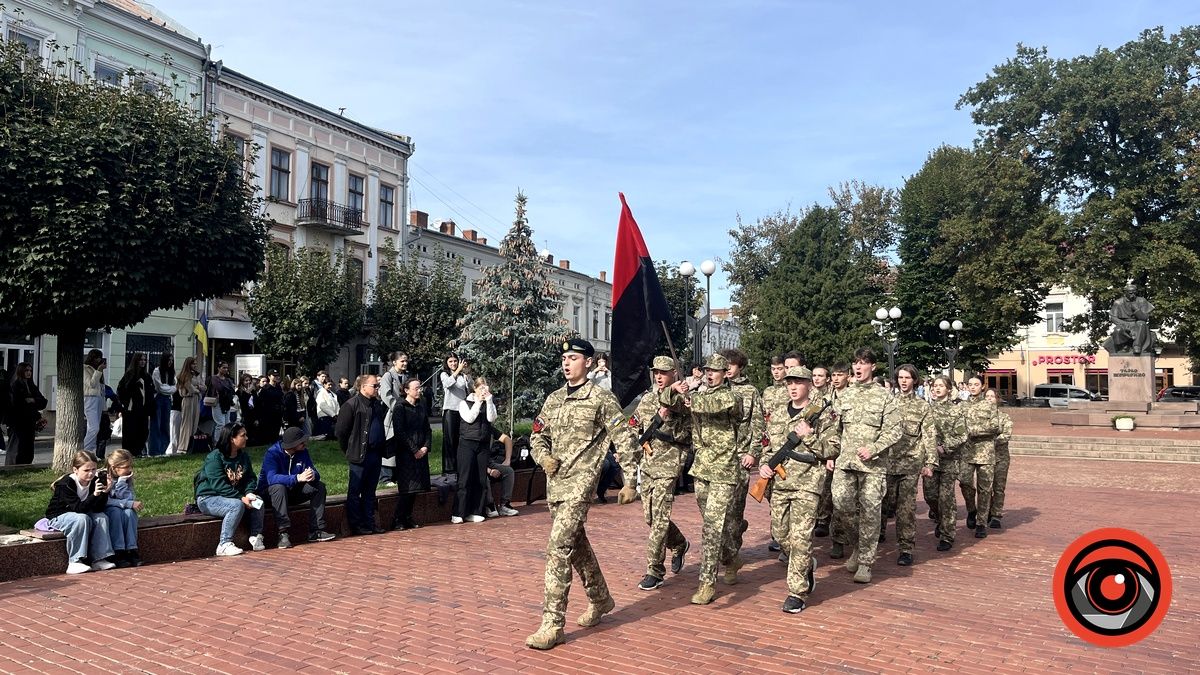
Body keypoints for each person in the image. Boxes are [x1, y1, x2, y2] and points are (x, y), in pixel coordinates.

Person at [525, 338, 639, 650]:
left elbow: (624, 437)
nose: (566, 363)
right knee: (576, 545)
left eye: (573, 358)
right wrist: (543, 457)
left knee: (558, 547)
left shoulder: (601, 398)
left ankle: (552, 623)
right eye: (564, 358)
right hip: (556, 484)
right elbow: (537, 436)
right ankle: (601, 598)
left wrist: (630, 481)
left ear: (588, 362)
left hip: (580, 484)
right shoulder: (555, 398)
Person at [758, 365, 838, 613]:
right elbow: (768, 446)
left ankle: (797, 592)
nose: (792, 387)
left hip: (807, 483)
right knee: (781, 535)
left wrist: (809, 436)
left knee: (801, 538)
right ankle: (805, 565)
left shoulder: (823, 414)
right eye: (789, 383)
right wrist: (763, 465)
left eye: (798, 382)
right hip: (780, 484)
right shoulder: (778, 414)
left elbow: (832, 449)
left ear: (809, 385)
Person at [664, 353, 742, 606]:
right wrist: (675, 390)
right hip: (702, 467)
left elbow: (712, 406)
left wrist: (689, 399)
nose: (710, 374)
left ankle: (707, 582)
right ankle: (731, 557)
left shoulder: (731, 396)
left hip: (724, 467)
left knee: (711, 526)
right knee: (714, 523)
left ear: (725, 373)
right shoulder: (699, 395)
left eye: (715, 371)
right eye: (707, 370)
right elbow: (668, 403)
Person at [830, 348, 902, 585]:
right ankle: (858, 546)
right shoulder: (844, 396)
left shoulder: (884, 397)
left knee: (871, 512)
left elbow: (895, 430)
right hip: (845, 462)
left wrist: (874, 447)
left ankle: (866, 562)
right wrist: (830, 453)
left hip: (873, 465)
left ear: (873, 367)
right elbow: (834, 428)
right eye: (855, 363)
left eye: (863, 363)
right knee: (841, 504)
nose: (858, 367)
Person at [629, 356, 692, 592]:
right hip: (648, 463)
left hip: (669, 464)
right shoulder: (647, 399)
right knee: (650, 518)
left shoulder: (681, 399)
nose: (659, 376)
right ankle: (679, 543)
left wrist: (675, 392)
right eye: (656, 372)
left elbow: (674, 407)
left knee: (660, 518)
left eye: (664, 373)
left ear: (674, 374)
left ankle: (654, 570)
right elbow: (634, 425)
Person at [879, 365, 937, 566]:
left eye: (907, 378)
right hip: (887, 462)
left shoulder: (923, 406)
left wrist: (930, 462)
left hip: (910, 463)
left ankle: (906, 548)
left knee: (906, 508)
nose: (904, 381)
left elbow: (929, 436)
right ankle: (878, 534)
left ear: (914, 380)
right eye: (900, 377)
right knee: (882, 503)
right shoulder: (889, 402)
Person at [718, 347, 765, 584]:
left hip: (739, 458)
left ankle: (731, 560)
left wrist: (752, 453)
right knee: (715, 513)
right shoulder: (712, 389)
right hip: (716, 460)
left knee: (733, 512)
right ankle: (727, 547)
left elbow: (758, 425)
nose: (726, 369)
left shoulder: (750, 392)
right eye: (723, 364)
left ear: (740, 367)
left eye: (731, 365)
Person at [257, 426, 336, 548]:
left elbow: (315, 472)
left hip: (292, 492)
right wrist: (297, 478)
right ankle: (283, 533)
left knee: (319, 487)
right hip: (270, 495)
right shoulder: (272, 453)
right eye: (302, 441)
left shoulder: (303, 452)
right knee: (279, 487)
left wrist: (312, 475)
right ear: (293, 443)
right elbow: (271, 478)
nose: (305, 443)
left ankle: (316, 530)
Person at [196, 423, 265, 556]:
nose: (247, 438)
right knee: (236, 506)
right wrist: (241, 498)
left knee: (258, 502)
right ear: (231, 439)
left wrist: (249, 492)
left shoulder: (243, 456)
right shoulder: (215, 457)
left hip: (235, 495)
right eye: (243, 435)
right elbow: (218, 485)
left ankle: (256, 537)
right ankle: (224, 544)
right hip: (208, 498)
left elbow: (250, 477)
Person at [46, 451, 117, 574]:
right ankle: (74, 561)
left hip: (82, 513)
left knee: (101, 517)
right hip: (59, 515)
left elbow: (98, 508)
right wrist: (95, 494)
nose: (91, 473)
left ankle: (99, 559)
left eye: (94, 469)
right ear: (75, 470)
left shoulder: (95, 481)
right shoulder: (66, 484)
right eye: (86, 470)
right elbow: (78, 508)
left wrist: (105, 493)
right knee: (81, 519)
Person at [335, 374, 387, 535]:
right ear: (363, 387)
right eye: (375, 386)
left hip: (375, 454)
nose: (378, 388)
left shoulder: (377, 405)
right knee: (355, 491)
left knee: (370, 491)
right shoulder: (351, 405)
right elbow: (341, 432)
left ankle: (369, 522)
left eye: (378, 386)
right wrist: (350, 450)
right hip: (359, 455)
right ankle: (356, 525)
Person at [923, 376, 968, 552]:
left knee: (946, 498)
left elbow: (962, 435)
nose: (937, 389)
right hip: (930, 462)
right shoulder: (926, 409)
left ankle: (947, 535)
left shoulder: (956, 411)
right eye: (935, 386)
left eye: (941, 386)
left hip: (949, 460)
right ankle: (941, 520)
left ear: (949, 389)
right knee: (930, 496)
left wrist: (944, 447)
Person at [960, 377, 1001, 539]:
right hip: (967, 452)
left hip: (985, 452)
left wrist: (972, 430)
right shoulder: (961, 406)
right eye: (970, 384)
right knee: (964, 482)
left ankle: (981, 522)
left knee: (985, 489)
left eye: (976, 384)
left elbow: (995, 426)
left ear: (982, 387)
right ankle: (971, 509)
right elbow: (957, 427)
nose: (973, 387)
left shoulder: (989, 406)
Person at [391, 378, 432, 530]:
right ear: (407, 390)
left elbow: (427, 429)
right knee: (407, 489)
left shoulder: (421, 406)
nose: (419, 390)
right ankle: (398, 519)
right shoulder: (400, 407)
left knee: (416, 488)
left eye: (420, 387)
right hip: (406, 454)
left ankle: (407, 517)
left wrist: (426, 447)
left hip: (421, 452)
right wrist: (414, 450)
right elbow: (400, 432)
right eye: (416, 388)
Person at [455, 377, 496, 524]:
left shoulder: (488, 402)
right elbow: (470, 418)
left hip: (482, 444)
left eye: (486, 388)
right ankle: (459, 512)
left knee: (480, 479)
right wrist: (478, 402)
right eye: (481, 388)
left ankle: (476, 511)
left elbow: (492, 418)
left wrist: (489, 401)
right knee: (465, 479)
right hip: (467, 443)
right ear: (475, 389)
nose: (483, 391)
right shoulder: (464, 403)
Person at [102, 449, 143, 567]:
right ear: (115, 467)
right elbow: (106, 501)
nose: (130, 470)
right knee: (115, 512)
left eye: (130, 466)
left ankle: (131, 549)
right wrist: (127, 504)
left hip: (121, 508)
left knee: (129, 513)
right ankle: (118, 551)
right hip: (108, 509)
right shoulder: (103, 477)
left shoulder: (125, 478)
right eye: (126, 466)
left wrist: (122, 482)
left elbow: (129, 498)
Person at [379, 352, 411, 487]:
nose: (404, 363)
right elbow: (385, 394)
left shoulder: (406, 376)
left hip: (403, 413)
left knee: (400, 443)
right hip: (390, 413)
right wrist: (398, 408)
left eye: (406, 361)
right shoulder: (388, 376)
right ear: (394, 362)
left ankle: (397, 474)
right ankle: (385, 476)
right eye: (402, 361)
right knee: (389, 442)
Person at [6, 362, 47, 466]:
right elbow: (16, 403)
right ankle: (13, 466)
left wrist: (33, 400)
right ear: (21, 371)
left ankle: (26, 465)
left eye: (30, 370)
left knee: (28, 446)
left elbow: (42, 402)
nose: (29, 373)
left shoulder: (31, 385)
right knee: (16, 447)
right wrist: (28, 402)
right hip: (17, 422)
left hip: (30, 421)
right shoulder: (15, 385)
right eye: (26, 370)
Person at [985, 388, 1013, 530]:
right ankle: (986, 511)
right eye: (987, 396)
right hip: (984, 458)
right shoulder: (980, 417)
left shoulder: (1004, 417)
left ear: (997, 399)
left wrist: (991, 440)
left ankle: (996, 514)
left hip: (1000, 457)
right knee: (985, 487)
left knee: (998, 487)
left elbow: (1006, 435)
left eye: (992, 396)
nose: (989, 398)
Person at [117, 353, 155, 458]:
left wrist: (150, 408)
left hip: (143, 410)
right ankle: (128, 454)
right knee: (130, 433)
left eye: (144, 360)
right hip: (131, 410)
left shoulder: (147, 376)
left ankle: (138, 452)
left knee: (143, 432)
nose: (143, 362)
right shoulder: (129, 375)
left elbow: (150, 393)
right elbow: (121, 391)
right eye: (140, 360)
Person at [1105, 282, 1154, 355]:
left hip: (1137, 323)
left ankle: (1137, 346)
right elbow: (1113, 318)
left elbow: (1144, 318)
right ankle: (1123, 348)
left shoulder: (1141, 301)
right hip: (1123, 323)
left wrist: (1137, 309)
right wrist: (1124, 324)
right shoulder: (1118, 302)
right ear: (1126, 293)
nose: (1133, 295)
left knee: (1141, 324)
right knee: (1118, 330)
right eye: (1130, 293)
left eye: (1134, 293)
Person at [168, 356, 201, 456]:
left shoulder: (196, 375)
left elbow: (204, 386)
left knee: (194, 423)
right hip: (187, 400)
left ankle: (191, 445)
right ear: (188, 364)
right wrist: (197, 389)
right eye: (193, 363)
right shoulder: (184, 375)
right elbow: (190, 389)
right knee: (187, 424)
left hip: (195, 400)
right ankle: (183, 447)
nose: (195, 365)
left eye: (195, 363)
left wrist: (197, 388)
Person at [485, 428, 520, 518]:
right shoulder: (471, 431)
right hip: (476, 465)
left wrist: (507, 459)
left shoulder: (490, 429)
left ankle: (505, 505)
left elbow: (507, 439)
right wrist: (489, 471)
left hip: (489, 462)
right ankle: (489, 505)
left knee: (508, 471)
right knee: (484, 477)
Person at [149, 354, 175, 456]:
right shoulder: (157, 371)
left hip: (167, 400)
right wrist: (171, 389)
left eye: (172, 360)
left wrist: (170, 389)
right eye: (168, 360)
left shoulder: (172, 372)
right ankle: (155, 451)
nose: (170, 362)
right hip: (158, 399)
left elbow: (175, 386)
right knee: (156, 425)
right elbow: (160, 388)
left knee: (165, 425)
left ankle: (163, 449)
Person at [83, 349, 107, 452]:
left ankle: (91, 451)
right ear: (92, 358)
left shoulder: (98, 370)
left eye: (100, 358)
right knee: (94, 427)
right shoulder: (85, 368)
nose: (99, 360)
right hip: (89, 397)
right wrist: (99, 370)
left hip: (98, 399)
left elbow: (101, 387)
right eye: (97, 358)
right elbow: (91, 384)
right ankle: (85, 450)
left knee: (94, 428)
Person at [253, 372, 285, 445]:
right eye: (274, 376)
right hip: (268, 414)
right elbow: (259, 403)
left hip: (278, 413)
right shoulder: (265, 388)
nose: (276, 377)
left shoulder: (278, 387)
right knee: (269, 433)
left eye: (277, 375)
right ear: (269, 377)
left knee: (276, 432)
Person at [208, 362, 236, 430]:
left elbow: (232, 391)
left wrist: (229, 388)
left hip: (227, 402)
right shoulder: (214, 378)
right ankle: (217, 440)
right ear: (218, 368)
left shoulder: (228, 379)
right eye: (224, 367)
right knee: (220, 424)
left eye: (227, 368)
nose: (226, 369)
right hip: (218, 402)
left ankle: (224, 439)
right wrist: (229, 388)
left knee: (227, 424)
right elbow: (219, 388)